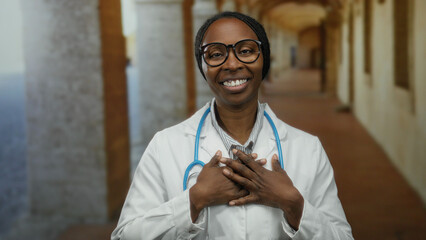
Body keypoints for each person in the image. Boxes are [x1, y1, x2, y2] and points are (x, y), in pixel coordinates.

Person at [111, 11, 353, 240]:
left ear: (264, 60)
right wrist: (194, 200)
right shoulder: (165, 145)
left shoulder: (307, 148)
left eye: (246, 50)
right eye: (216, 54)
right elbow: (124, 235)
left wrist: (293, 205)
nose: (232, 64)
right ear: (203, 67)